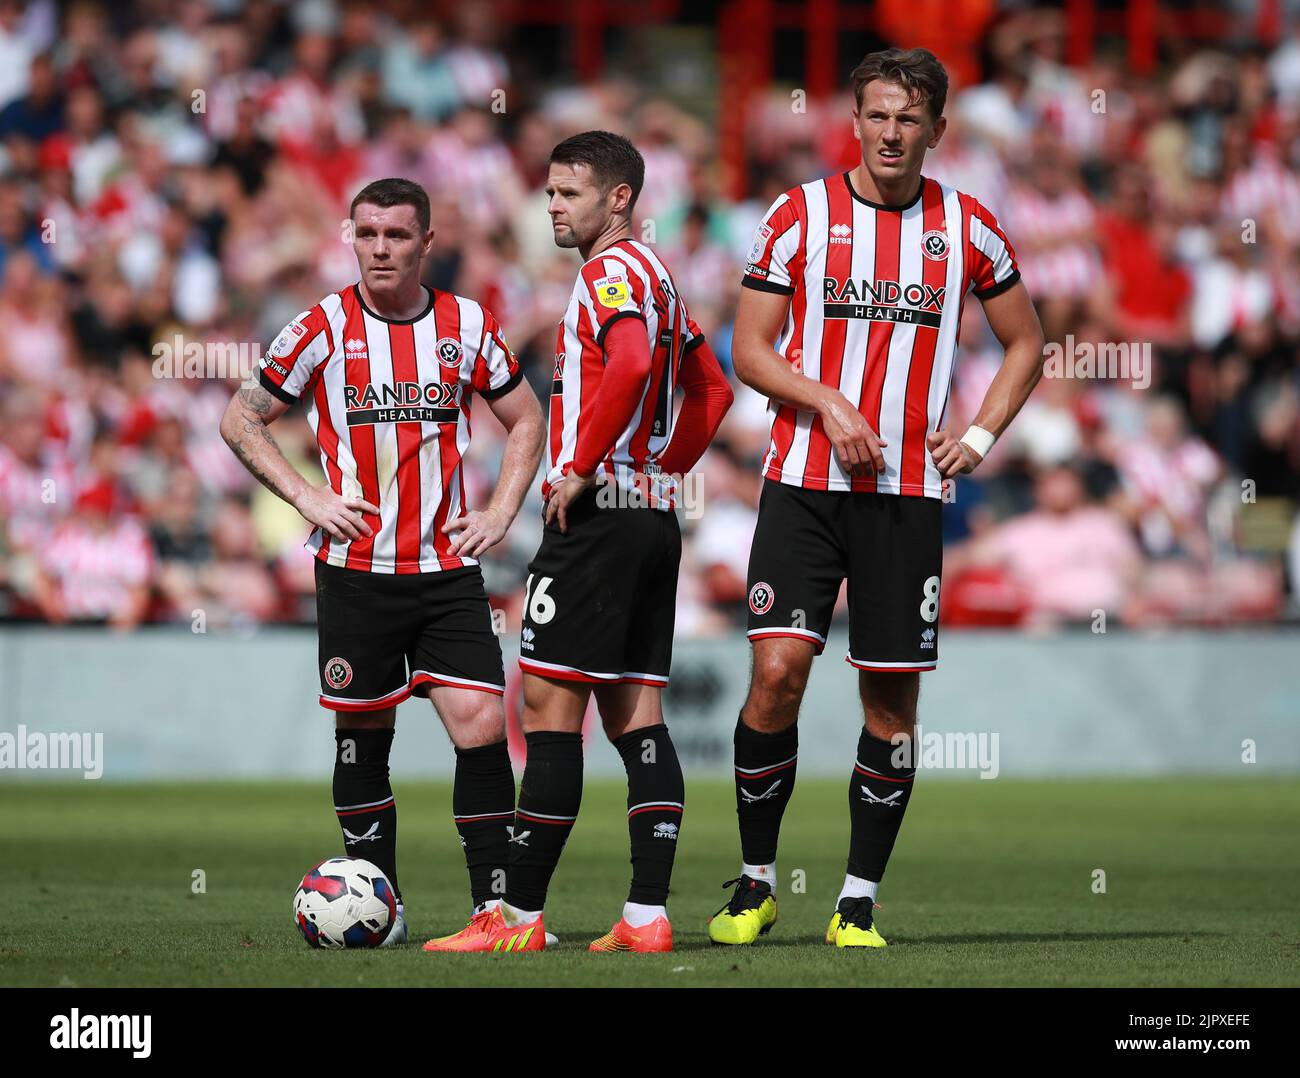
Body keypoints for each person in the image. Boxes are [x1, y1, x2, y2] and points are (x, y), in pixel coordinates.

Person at [708, 47, 1045, 948]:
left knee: (890, 707)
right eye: (878, 114)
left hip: (906, 498)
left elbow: (1026, 343)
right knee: (777, 674)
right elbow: (748, 349)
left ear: (937, 129)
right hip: (803, 485)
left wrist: (976, 435)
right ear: (853, 122)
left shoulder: (969, 227)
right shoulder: (800, 214)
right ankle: (754, 882)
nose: (892, 132)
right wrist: (825, 400)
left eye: (910, 117)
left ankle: (857, 898)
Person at [422, 131, 732, 954]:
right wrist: (661, 469)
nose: (552, 206)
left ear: (618, 198)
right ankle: (645, 917)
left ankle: (516, 920)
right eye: (550, 192)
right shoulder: (663, 277)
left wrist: (586, 465)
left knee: (550, 711)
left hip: (596, 518)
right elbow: (713, 388)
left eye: (567, 193)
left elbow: (629, 365)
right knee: (638, 717)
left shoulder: (610, 273)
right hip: (651, 515)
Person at [219, 177, 545, 947]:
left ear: (427, 243)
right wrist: (306, 495)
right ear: (350, 238)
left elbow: (526, 416)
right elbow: (240, 417)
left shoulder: (466, 323)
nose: (380, 248)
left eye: (397, 235)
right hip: (355, 572)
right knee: (364, 744)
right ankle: (382, 909)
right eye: (366, 234)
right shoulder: (321, 326)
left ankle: (492, 912)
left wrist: (499, 512)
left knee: (479, 726)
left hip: (444, 572)